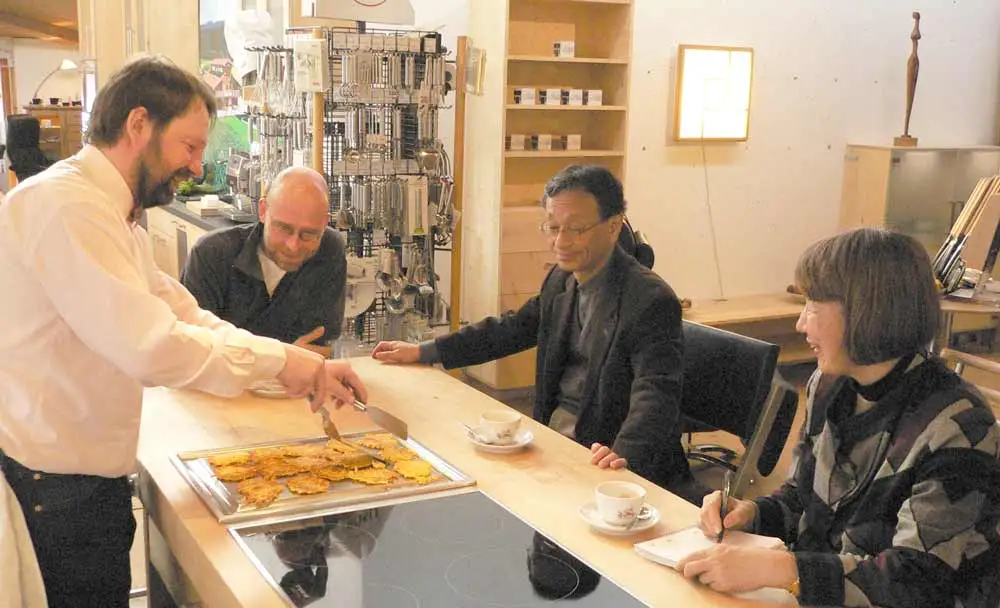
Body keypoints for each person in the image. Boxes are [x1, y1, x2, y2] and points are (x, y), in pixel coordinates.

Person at [0, 56, 367, 608]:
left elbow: (186, 315)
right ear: (139, 124)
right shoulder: (67, 206)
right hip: (54, 490)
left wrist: (299, 365)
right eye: (190, 146)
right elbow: (151, 345)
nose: (195, 167)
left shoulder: (112, 215)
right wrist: (286, 362)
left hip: (79, 484)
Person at [679, 228, 1000, 607]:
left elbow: (916, 580)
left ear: (867, 312)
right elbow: (803, 497)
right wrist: (753, 514)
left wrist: (785, 569)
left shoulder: (958, 426)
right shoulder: (829, 384)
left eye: (813, 306)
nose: (801, 324)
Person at [371, 165, 693, 498]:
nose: (560, 241)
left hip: (609, 461)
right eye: (552, 227)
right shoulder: (561, 279)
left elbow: (655, 394)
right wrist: (425, 351)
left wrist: (623, 454)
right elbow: (512, 329)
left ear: (613, 226)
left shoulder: (650, 300)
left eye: (576, 228)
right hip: (555, 444)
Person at [182, 166, 347, 357]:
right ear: (262, 211)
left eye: (308, 234)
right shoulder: (211, 255)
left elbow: (318, 348)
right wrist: (284, 358)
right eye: (283, 228)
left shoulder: (329, 250)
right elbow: (194, 351)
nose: (293, 246)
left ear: (324, 223)